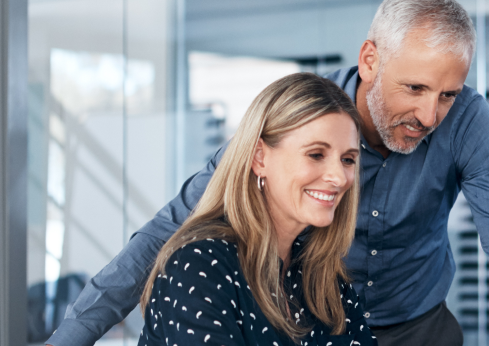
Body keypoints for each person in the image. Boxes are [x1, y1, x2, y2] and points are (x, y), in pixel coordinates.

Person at [47, 1, 489, 346]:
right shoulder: (301, 115)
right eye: (415, 88)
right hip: (313, 318)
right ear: (370, 60)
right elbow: (169, 228)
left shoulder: (468, 121)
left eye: (447, 95)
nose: (430, 116)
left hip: (413, 324)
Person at [138, 72, 375, 346]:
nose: (339, 177)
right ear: (259, 157)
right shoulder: (198, 266)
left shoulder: (323, 278)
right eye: (316, 154)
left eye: (347, 159)